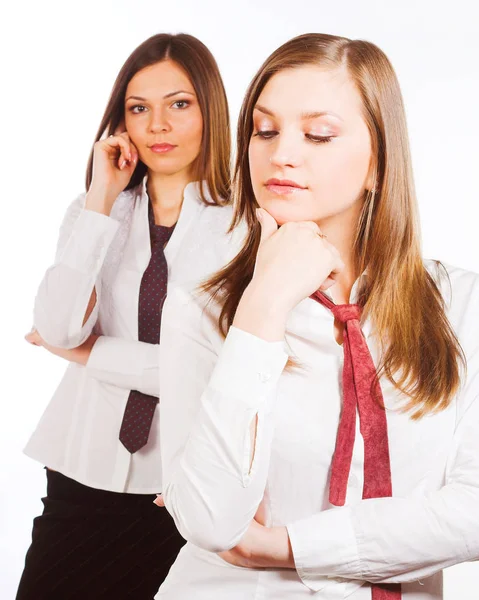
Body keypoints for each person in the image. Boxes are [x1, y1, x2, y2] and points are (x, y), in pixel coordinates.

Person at [155, 33, 479, 599]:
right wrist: (263, 306)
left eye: (319, 134)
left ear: (378, 162)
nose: (282, 153)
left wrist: (287, 547)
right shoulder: (199, 310)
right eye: (265, 130)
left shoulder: (459, 303)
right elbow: (209, 519)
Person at [17, 32, 243, 600]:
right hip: (82, 468)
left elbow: (221, 372)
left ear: (209, 110)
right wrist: (100, 199)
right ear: (121, 121)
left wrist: (91, 355)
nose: (158, 126)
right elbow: (60, 323)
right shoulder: (95, 209)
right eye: (139, 108)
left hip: (185, 483)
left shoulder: (248, 224)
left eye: (179, 105)